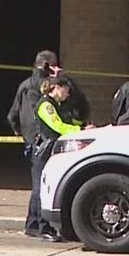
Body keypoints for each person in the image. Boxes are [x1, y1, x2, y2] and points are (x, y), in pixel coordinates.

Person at [25, 76, 89, 242]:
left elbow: (67, 120)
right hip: (43, 152)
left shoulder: (56, 105)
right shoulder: (46, 105)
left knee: (39, 187)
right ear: (57, 88)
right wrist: (80, 129)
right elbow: (58, 126)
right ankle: (42, 228)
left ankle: (32, 225)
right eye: (66, 91)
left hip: (47, 151)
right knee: (41, 189)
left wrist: (84, 125)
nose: (67, 95)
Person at [7, 51, 63, 238]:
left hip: (32, 141)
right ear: (47, 65)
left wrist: (21, 132)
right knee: (44, 184)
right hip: (46, 140)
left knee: (37, 182)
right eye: (54, 64)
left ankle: (31, 223)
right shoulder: (49, 87)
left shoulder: (24, 85)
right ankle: (43, 226)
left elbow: (12, 115)